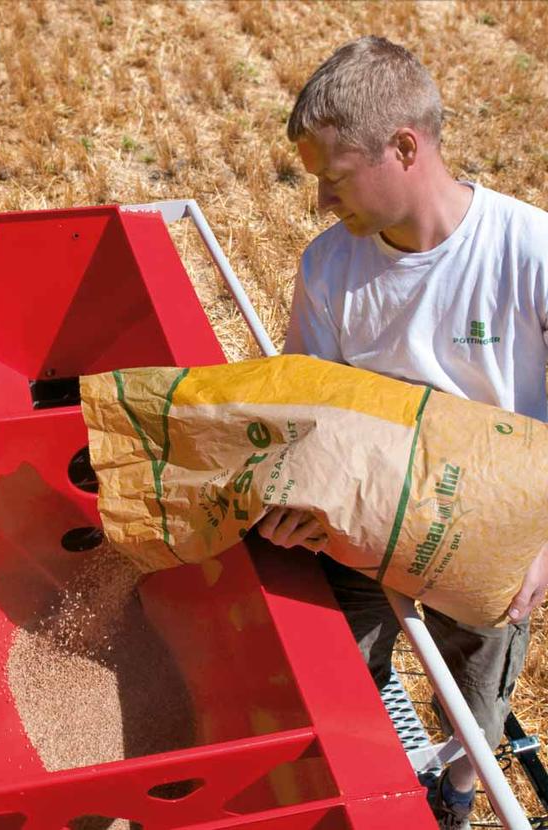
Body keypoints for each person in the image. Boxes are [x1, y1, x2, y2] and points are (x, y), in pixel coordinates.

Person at [256, 35, 548, 830]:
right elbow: (311, 412)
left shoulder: (529, 254)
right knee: (333, 681)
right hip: (361, 526)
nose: (320, 202)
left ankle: (455, 787)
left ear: (405, 148)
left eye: (334, 178)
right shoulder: (328, 269)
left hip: (485, 542)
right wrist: (295, 500)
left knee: (475, 703)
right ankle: (365, 789)